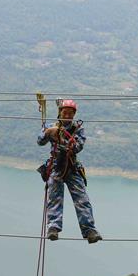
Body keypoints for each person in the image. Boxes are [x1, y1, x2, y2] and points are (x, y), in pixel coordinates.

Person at [38, 99, 101, 243]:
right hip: (56, 166)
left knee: (82, 199)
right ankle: (53, 228)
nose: (67, 115)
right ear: (60, 112)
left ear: (73, 115)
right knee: (54, 198)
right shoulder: (50, 126)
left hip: (71, 166)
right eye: (64, 112)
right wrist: (48, 132)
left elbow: (78, 146)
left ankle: (89, 230)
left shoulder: (77, 128)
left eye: (70, 113)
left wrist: (64, 138)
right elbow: (40, 141)